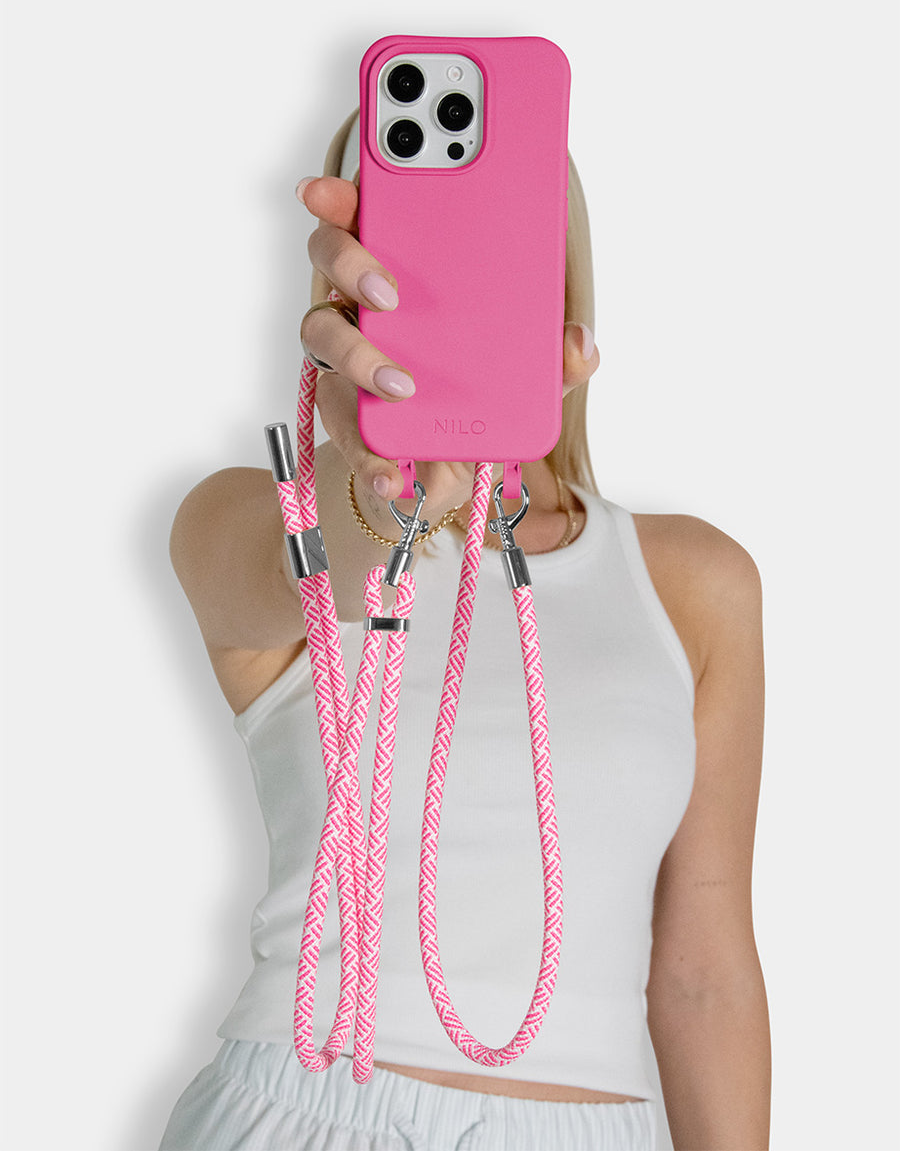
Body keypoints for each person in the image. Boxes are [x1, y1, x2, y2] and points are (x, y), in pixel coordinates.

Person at [159, 109, 770, 1151]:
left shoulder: (695, 583)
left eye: (488, 229)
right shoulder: (250, 519)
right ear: (341, 283)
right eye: (401, 239)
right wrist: (387, 486)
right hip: (304, 1112)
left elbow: (704, 970)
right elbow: (311, 564)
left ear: (560, 278)